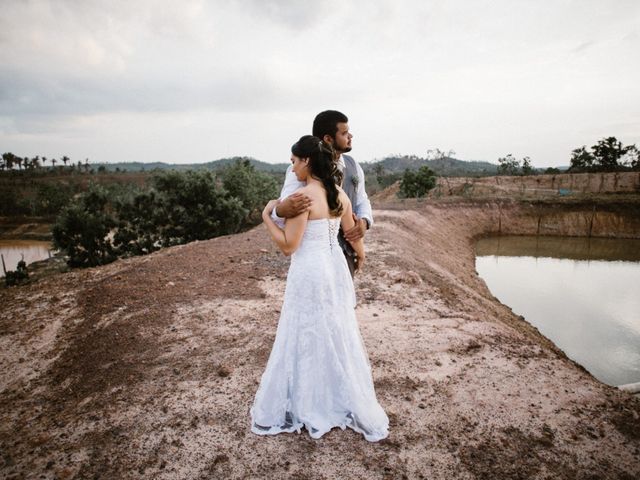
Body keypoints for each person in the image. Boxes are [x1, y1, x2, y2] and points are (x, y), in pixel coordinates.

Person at [251, 135, 389, 442]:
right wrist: (362, 253)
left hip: (311, 270)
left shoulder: (303, 198)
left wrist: (266, 217)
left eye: (294, 161)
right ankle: (336, 396)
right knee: (334, 329)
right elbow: (352, 231)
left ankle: (310, 401)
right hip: (334, 267)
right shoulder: (339, 193)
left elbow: (289, 246)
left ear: (306, 161)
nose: (292, 167)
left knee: (305, 330)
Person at [271, 110, 372, 275]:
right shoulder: (298, 170)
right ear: (328, 139)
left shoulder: (354, 166)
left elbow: (362, 200)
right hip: (312, 256)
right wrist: (278, 210)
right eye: (345, 133)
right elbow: (287, 206)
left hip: (345, 253)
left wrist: (365, 221)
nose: (350, 136)